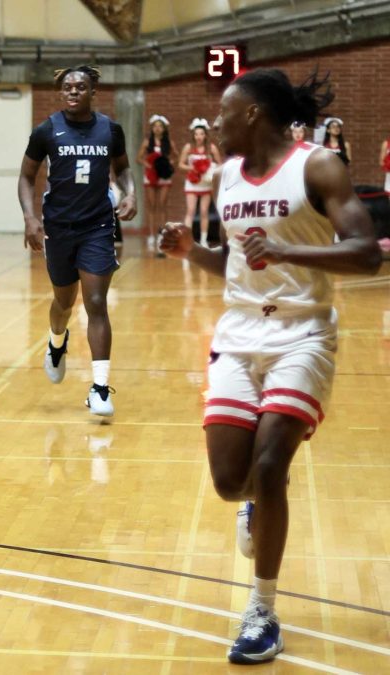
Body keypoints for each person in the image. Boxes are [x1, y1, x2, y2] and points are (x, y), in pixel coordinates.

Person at [159, 68, 380, 665]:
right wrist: (191, 251)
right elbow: (236, 266)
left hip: (302, 333)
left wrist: (285, 249)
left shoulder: (317, 167)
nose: (215, 125)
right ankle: (257, 501)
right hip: (237, 334)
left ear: (252, 114)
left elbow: (366, 256)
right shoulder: (228, 174)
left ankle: (261, 609)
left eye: (225, 114)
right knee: (233, 482)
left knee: (270, 460)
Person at [17, 65, 137, 416]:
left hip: (97, 226)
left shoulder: (110, 129)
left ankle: (99, 388)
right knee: (63, 302)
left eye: (80, 87)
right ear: (61, 92)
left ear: (92, 91)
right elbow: (26, 176)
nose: (73, 92)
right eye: (68, 87)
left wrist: (130, 194)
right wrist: (29, 218)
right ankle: (57, 342)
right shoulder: (47, 130)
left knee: (96, 301)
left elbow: (124, 168)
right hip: (58, 228)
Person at [179, 118, 224, 245]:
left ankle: (204, 240)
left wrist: (211, 168)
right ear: (193, 135)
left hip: (206, 184)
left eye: (201, 134)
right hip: (192, 183)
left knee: (204, 211)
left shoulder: (211, 148)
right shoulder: (188, 147)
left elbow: (220, 165)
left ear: (205, 135)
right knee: (191, 210)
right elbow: (181, 164)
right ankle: (187, 239)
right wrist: (192, 168)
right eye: (196, 134)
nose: (199, 136)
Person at [138, 114, 177, 254]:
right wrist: (148, 164)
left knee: (162, 204)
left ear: (164, 128)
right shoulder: (147, 142)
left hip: (163, 176)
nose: (157, 128)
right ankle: (151, 234)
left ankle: (163, 233)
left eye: (160, 126)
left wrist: (169, 163)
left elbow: (175, 156)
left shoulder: (169, 143)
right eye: (155, 126)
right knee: (152, 205)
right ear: (152, 128)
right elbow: (139, 158)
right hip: (150, 175)